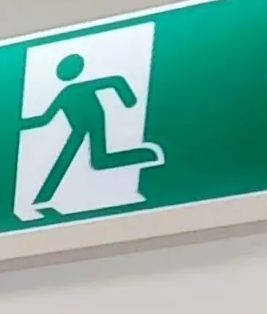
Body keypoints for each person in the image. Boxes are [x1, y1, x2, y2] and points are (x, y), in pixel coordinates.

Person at [23, 51, 165, 215]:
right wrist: (23, 124)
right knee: (97, 160)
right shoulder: (67, 93)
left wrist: (128, 99)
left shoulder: (74, 90)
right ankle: (144, 155)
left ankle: (42, 198)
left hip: (93, 124)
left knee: (88, 159)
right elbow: (46, 118)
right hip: (79, 128)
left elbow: (115, 81)